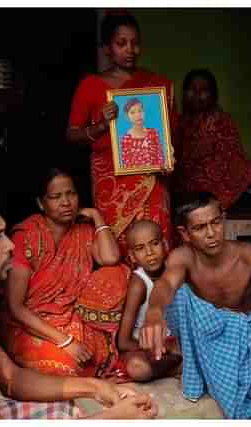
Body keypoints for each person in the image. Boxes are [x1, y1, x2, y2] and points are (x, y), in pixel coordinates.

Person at [0, 188, 158, 419]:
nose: (10, 246)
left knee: (65, 409)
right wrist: (116, 417)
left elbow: (11, 378)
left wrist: (97, 387)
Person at [140, 192, 251, 419]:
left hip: (245, 337)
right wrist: (154, 312)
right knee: (179, 295)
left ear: (223, 219)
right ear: (185, 234)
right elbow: (165, 284)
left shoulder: (250, 254)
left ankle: (225, 379)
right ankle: (220, 379)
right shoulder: (183, 257)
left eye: (216, 222)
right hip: (206, 340)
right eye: (200, 228)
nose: (211, 233)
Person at [1, 167, 129, 379]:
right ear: (41, 203)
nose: (66, 202)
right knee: (68, 366)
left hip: (70, 316)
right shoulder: (26, 236)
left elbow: (110, 258)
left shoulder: (84, 231)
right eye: (55, 197)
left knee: (117, 273)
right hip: (29, 322)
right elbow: (16, 307)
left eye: (71, 194)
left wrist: (97, 217)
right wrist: (66, 341)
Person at [66, 13, 175, 257]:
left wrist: (167, 157)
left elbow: (169, 135)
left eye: (135, 43)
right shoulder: (92, 86)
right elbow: (72, 135)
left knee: (156, 240)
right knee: (118, 246)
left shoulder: (158, 85)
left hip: (152, 178)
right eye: (121, 43)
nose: (130, 50)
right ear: (106, 48)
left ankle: (156, 294)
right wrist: (101, 125)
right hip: (111, 181)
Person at [172, 69, 251, 210]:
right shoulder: (178, 124)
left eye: (204, 90)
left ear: (213, 94)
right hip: (185, 198)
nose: (197, 95)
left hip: (225, 197)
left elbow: (233, 164)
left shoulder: (223, 123)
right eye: (191, 89)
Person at [116, 219, 182, 382]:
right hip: (143, 347)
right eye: (140, 248)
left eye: (154, 244)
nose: (149, 252)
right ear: (132, 256)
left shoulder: (176, 273)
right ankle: (178, 367)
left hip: (174, 344)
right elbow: (123, 342)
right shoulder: (139, 283)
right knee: (138, 368)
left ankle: (179, 364)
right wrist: (160, 348)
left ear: (165, 244)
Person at [119, 98, 164, 169]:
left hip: (155, 175)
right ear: (127, 116)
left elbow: (160, 158)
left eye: (140, 111)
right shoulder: (126, 139)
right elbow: (127, 165)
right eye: (132, 112)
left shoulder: (153, 133)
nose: (138, 115)